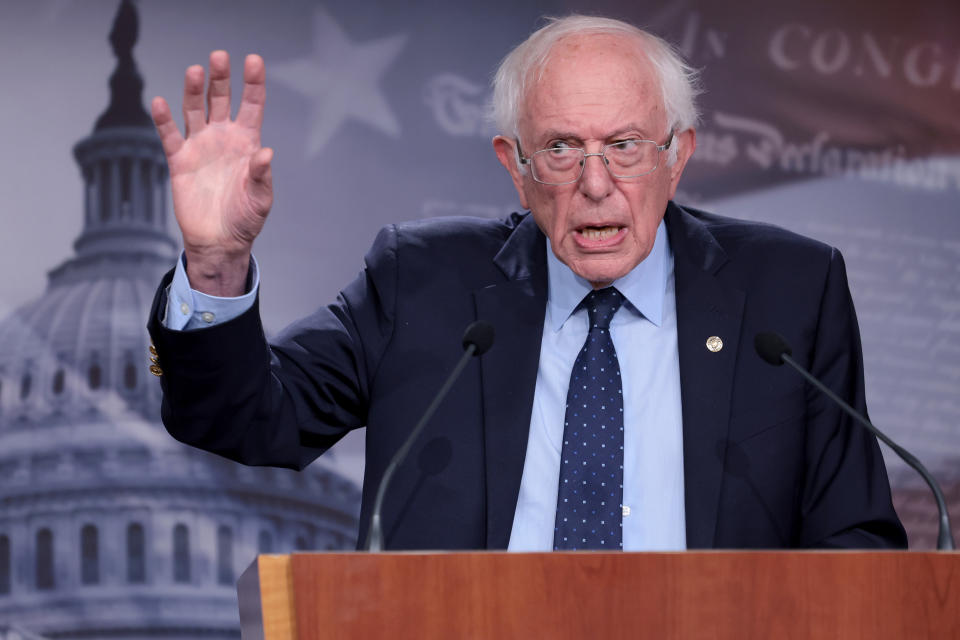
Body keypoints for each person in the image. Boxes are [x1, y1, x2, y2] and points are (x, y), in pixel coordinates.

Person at [147, 15, 906, 550]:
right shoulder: (423, 283)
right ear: (516, 167)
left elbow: (856, 542)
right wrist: (215, 262)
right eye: (563, 148)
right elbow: (247, 419)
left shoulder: (790, 293)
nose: (597, 182)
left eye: (626, 145)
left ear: (678, 157)